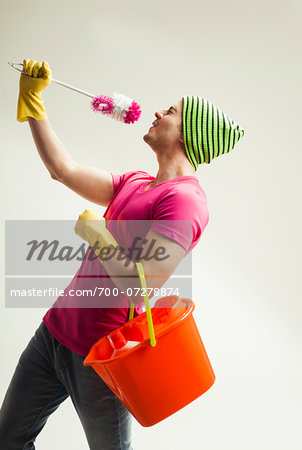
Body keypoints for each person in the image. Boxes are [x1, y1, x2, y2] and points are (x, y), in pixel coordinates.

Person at [0, 60, 244, 449]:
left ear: (190, 134)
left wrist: (99, 235)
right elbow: (64, 169)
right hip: (53, 335)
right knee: (8, 438)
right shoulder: (136, 182)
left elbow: (140, 285)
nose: (159, 112)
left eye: (172, 111)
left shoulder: (185, 201)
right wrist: (34, 105)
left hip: (103, 357)